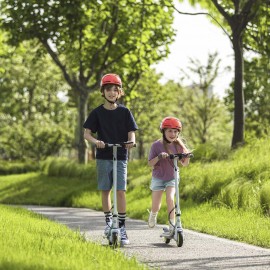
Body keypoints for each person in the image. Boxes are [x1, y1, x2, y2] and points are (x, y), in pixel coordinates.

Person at [83, 73, 138, 246]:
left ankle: (121, 226)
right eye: (108, 89)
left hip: (121, 155)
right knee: (106, 190)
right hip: (103, 155)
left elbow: (132, 132)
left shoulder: (125, 111)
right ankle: (109, 223)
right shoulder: (97, 113)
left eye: (115, 90)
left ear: (119, 92)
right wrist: (96, 142)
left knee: (120, 190)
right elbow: (87, 133)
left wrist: (131, 142)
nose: (112, 93)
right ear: (103, 92)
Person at [147, 117, 191, 234]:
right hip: (158, 178)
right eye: (170, 131)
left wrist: (186, 156)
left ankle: (172, 224)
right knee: (156, 205)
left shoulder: (178, 146)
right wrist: (159, 157)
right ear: (163, 131)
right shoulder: (156, 145)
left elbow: (185, 164)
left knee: (170, 198)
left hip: (172, 177)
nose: (173, 134)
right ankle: (153, 214)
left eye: (175, 131)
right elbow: (150, 163)